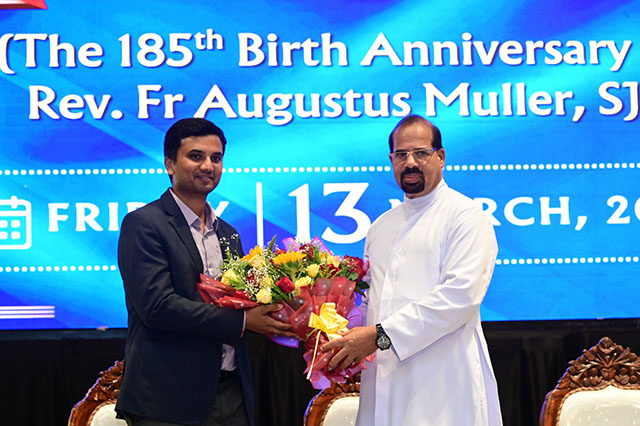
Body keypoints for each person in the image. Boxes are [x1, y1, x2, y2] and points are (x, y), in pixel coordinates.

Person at [322, 115, 503, 425]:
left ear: (440, 157)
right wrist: (331, 333)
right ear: (391, 160)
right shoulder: (381, 227)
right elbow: (370, 303)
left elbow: (460, 297)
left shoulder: (465, 216)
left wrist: (379, 337)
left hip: (443, 383)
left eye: (421, 153)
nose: (410, 163)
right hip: (384, 377)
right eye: (401, 155)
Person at [115, 118, 295, 426]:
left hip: (232, 392)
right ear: (170, 163)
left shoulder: (228, 233)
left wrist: (286, 312)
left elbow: (239, 301)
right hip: (168, 399)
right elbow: (157, 307)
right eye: (196, 156)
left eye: (216, 158)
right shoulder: (144, 224)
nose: (208, 166)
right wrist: (243, 321)